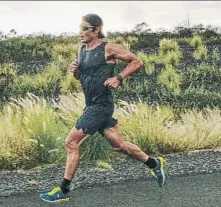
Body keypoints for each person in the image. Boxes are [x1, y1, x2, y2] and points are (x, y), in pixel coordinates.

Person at [39, 13, 165, 203]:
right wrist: (75, 73)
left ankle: (63, 190)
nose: (80, 32)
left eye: (84, 28)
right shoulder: (81, 50)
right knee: (119, 145)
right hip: (91, 104)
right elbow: (84, 79)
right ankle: (154, 163)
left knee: (71, 143)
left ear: (96, 29)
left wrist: (118, 78)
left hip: (101, 106)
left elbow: (137, 61)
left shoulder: (108, 48)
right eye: (79, 28)